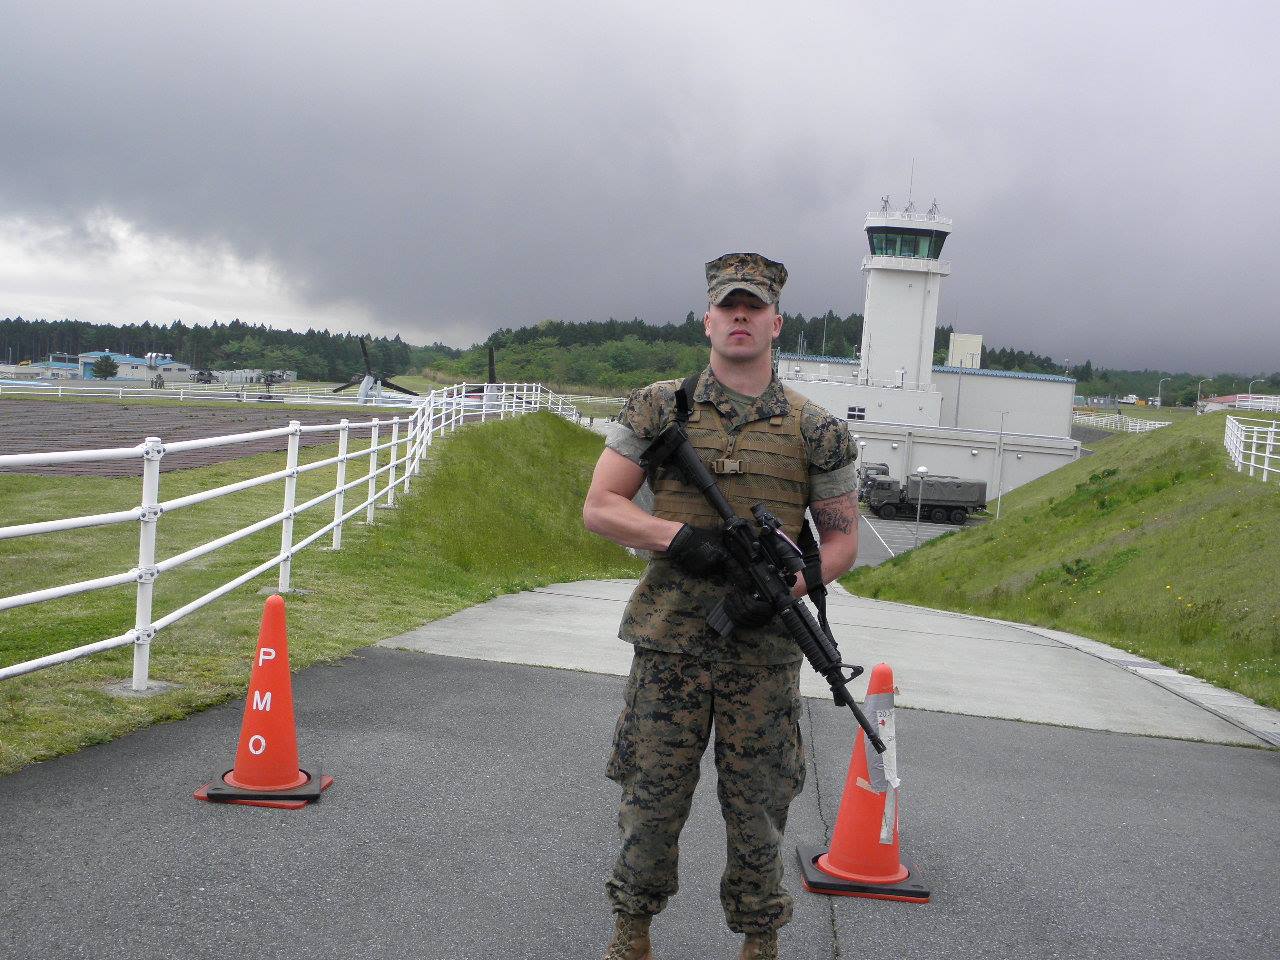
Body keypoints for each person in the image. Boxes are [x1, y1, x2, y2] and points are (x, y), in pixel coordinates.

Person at [582, 253, 860, 960]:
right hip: (669, 644)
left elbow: (841, 542)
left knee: (759, 810)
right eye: (729, 306)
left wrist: (787, 589)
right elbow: (602, 506)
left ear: (776, 323)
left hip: (763, 658)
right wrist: (676, 538)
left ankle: (760, 942)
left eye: (754, 307)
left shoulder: (816, 430)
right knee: (650, 802)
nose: (741, 316)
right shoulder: (659, 408)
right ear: (707, 319)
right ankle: (631, 934)